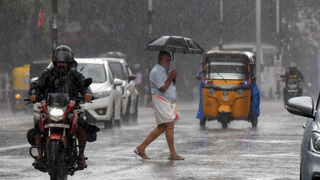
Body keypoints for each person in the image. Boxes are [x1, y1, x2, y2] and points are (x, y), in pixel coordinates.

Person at [28, 45, 93, 170]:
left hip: (71, 109)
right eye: (59, 62)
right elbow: (37, 85)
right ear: (55, 62)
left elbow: (84, 86)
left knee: (82, 122)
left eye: (64, 62)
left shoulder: (76, 75)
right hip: (50, 109)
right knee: (38, 123)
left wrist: (87, 93)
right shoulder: (47, 74)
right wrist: (33, 94)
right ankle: (40, 155)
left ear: (69, 63)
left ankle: (80, 155)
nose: (62, 64)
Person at [134, 51, 184, 160]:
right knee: (169, 125)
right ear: (160, 59)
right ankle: (172, 153)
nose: (169, 63)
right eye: (167, 60)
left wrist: (173, 76)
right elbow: (162, 88)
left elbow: (171, 83)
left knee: (162, 127)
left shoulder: (166, 70)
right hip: (161, 100)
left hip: (168, 101)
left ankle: (141, 148)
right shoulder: (156, 71)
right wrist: (171, 77)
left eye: (170, 61)